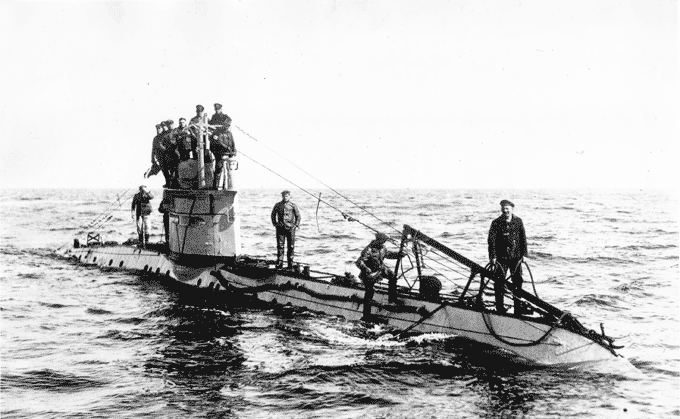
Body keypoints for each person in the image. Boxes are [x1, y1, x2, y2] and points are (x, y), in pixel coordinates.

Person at [487, 199, 528, 314]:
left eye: (507, 208)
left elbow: (523, 238)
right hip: (501, 259)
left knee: (517, 282)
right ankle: (500, 308)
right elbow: (491, 241)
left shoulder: (518, 221)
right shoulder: (496, 222)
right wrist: (493, 256)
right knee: (499, 283)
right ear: (501, 209)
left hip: (516, 258)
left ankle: (517, 308)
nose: (505, 211)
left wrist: (524, 254)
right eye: (503, 208)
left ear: (512, 209)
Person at [356, 232, 402, 319]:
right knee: (369, 292)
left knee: (392, 276)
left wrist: (399, 255)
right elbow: (359, 262)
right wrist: (367, 270)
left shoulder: (382, 248)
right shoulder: (368, 250)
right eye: (383, 241)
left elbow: (388, 255)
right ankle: (366, 314)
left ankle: (392, 300)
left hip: (380, 269)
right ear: (378, 240)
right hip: (369, 273)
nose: (384, 243)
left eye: (384, 241)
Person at [270, 190, 301, 269]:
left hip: (290, 228)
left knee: (291, 246)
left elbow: (298, 216)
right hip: (280, 228)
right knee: (280, 246)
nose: (285, 197)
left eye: (287, 196)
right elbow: (273, 214)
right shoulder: (278, 205)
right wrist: (275, 224)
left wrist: (296, 225)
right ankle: (279, 264)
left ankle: (290, 264)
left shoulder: (293, 205)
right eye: (284, 196)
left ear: (290, 196)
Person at [158, 120, 179, 187]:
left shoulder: (176, 131)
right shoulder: (165, 134)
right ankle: (171, 183)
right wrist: (166, 149)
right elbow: (161, 143)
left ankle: (175, 183)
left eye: (171, 124)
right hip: (169, 154)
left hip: (176, 153)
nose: (170, 126)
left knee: (176, 169)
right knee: (170, 169)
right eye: (168, 125)